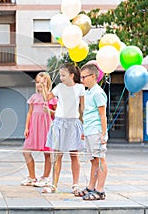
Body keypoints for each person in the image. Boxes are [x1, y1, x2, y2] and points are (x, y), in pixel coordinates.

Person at [43, 63, 85, 194]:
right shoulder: (59, 87)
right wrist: (45, 87)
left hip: (73, 123)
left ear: (72, 75)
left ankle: (75, 185)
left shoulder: (80, 88)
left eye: (63, 75)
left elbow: (83, 108)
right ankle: (54, 185)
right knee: (57, 156)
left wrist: (84, 126)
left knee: (74, 155)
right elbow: (46, 98)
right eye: (60, 75)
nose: (61, 78)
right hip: (59, 123)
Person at [75, 63, 108, 200]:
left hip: (96, 131)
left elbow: (102, 115)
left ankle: (100, 190)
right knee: (93, 160)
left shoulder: (98, 92)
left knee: (100, 160)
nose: (82, 80)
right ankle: (90, 187)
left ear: (93, 76)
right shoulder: (88, 92)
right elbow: (88, 114)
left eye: (84, 77)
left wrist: (103, 134)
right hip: (89, 130)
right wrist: (84, 130)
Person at [20, 72, 57, 187]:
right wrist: (26, 127)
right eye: (37, 82)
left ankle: (45, 177)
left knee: (47, 153)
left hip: (46, 128)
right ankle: (32, 177)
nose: (39, 84)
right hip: (34, 128)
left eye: (42, 82)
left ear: (48, 83)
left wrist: (50, 111)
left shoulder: (52, 97)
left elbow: (57, 113)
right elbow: (30, 113)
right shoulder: (33, 97)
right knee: (26, 151)